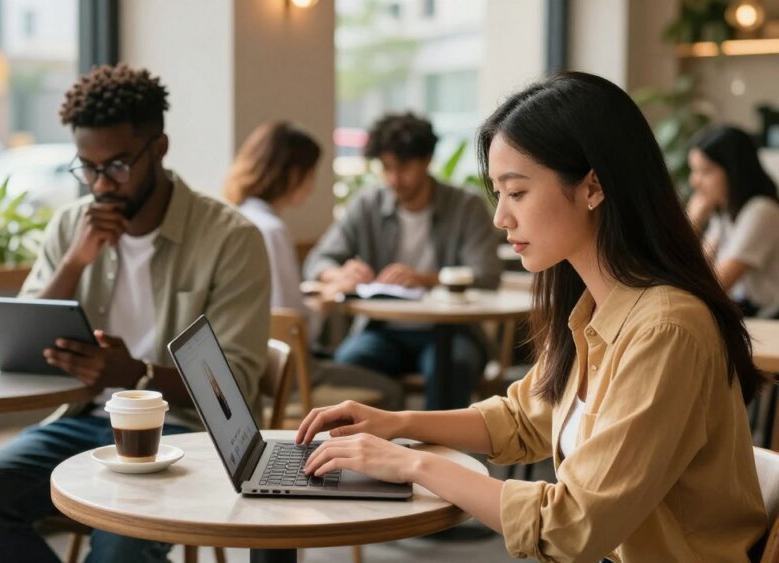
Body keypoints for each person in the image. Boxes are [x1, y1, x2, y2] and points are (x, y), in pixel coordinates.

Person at [296, 72, 767, 562]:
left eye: (516, 192)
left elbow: (571, 526)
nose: (500, 217)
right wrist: (397, 422)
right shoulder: (593, 307)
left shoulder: (666, 329)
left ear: (593, 186)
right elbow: (524, 419)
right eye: (498, 193)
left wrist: (412, 464)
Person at [0, 64, 270, 563]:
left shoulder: (230, 239)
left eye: (115, 166)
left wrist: (137, 374)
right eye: (86, 168)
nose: (100, 185)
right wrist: (75, 261)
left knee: (119, 546)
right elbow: (22, 341)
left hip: (184, 435)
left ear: (158, 149)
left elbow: (235, 388)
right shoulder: (73, 225)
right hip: (80, 421)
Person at [303, 112, 502, 409]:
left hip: (450, 331)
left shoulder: (465, 206)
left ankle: (442, 452)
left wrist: (424, 278)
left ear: (427, 160)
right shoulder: (368, 205)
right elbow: (317, 261)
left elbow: (486, 274)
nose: (394, 179)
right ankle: (368, 451)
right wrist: (339, 273)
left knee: (451, 366)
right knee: (350, 363)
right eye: (386, 168)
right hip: (383, 330)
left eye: (404, 167)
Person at [225, 121, 405, 410]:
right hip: (286, 375)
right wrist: (326, 301)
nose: (312, 185)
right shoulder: (271, 231)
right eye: (311, 174)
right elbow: (292, 327)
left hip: (246, 368)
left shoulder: (237, 218)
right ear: (295, 174)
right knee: (391, 392)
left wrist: (322, 289)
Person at [686, 125, 779, 318]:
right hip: (748, 311)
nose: (694, 182)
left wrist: (692, 222)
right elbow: (695, 269)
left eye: (705, 171)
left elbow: (717, 285)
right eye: (693, 171)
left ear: (734, 170)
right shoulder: (724, 210)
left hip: (769, 317)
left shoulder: (762, 211)